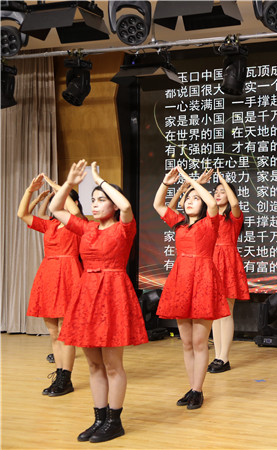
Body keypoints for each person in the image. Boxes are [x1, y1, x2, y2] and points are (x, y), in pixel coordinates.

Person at [50, 160, 148, 443]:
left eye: (101, 200)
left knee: (113, 364)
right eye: (92, 200)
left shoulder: (124, 228)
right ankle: (99, 418)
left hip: (113, 294)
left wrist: (98, 179)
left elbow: (126, 206)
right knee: (93, 364)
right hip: (87, 295)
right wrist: (70, 183)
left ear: (113, 205)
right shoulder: (87, 229)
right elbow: (56, 208)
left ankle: (115, 421)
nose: (95, 204)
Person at [153, 166, 230, 410]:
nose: (189, 201)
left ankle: (198, 390)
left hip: (203, 279)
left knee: (199, 342)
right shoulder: (180, 224)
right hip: (181, 280)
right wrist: (168, 183)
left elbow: (212, 202)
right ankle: (191, 387)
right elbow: (158, 205)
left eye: (195, 199)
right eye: (187, 198)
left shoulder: (210, 222)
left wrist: (191, 181)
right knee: (186, 343)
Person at [17, 174, 83, 396]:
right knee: (54, 332)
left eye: (60, 198)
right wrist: (30, 190)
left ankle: (66, 378)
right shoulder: (50, 225)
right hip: (48, 274)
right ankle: (59, 374)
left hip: (68, 274)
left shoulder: (76, 223)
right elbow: (22, 214)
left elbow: (73, 211)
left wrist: (59, 187)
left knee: (65, 331)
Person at [208, 169, 250, 373]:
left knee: (226, 312)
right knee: (215, 313)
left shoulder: (234, 217)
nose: (217, 194)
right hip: (211, 261)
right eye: (215, 191)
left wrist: (223, 181)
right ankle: (217, 355)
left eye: (222, 191)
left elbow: (234, 204)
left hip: (228, 261)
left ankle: (224, 358)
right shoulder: (210, 215)